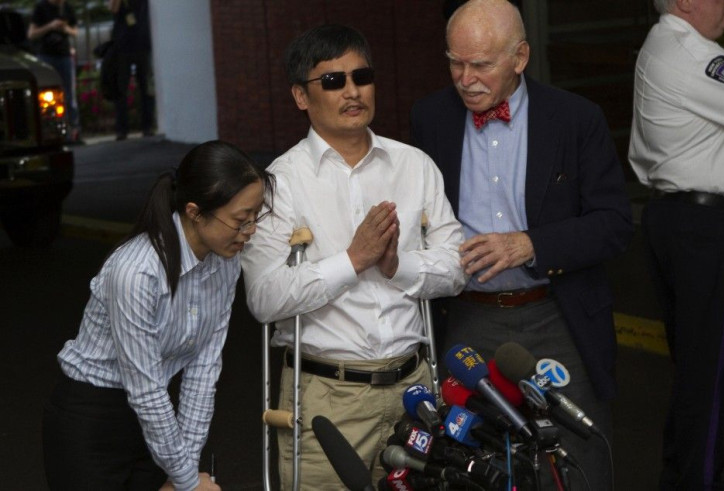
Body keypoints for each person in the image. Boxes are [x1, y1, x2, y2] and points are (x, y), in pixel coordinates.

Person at [410, 1, 633, 489]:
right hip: (467, 315)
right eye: (455, 61)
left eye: (482, 65)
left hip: (557, 314)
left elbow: (615, 223)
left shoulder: (576, 119)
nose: (465, 78)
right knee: (468, 460)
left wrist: (529, 244)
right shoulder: (429, 119)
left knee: (576, 461)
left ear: (521, 57)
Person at [240, 24, 467, 489]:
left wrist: (395, 265)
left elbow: (458, 265)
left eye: (361, 77)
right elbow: (264, 298)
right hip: (327, 395)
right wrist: (353, 259)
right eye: (332, 81)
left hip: (412, 386)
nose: (351, 91)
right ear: (301, 97)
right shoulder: (279, 184)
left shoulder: (414, 166)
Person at [42, 140, 274, 490]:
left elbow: (203, 369)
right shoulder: (136, 272)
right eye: (242, 220)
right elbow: (145, 389)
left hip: (156, 422)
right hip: (91, 421)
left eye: (257, 216)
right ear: (195, 211)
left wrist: (184, 471)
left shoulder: (225, 263)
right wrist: (188, 482)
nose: (251, 230)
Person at [628, 0, 724, 488]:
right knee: (708, 380)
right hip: (704, 227)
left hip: (684, 223)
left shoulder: (682, 47)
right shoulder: (687, 53)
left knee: (700, 372)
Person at [28, 0, 81, 143]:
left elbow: (75, 31)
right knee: (45, 94)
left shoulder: (67, 7)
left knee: (69, 94)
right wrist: (50, 26)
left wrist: (65, 29)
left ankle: (73, 132)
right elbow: (31, 34)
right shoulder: (41, 7)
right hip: (46, 55)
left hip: (64, 55)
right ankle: (48, 133)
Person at [109, 0, 155, 140]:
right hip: (123, 45)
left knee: (145, 87)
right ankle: (121, 129)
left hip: (142, 43)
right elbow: (113, 9)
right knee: (121, 88)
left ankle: (147, 126)